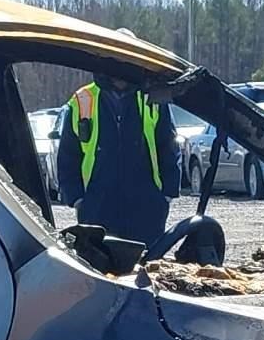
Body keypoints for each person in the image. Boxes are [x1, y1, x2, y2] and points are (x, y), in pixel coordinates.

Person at [57, 79, 177, 248]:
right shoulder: (82, 100)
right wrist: (77, 199)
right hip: (97, 208)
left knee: (146, 269)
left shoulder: (152, 98)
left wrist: (166, 195)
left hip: (146, 208)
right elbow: (68, 156)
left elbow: (168, 146)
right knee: (98, 267)